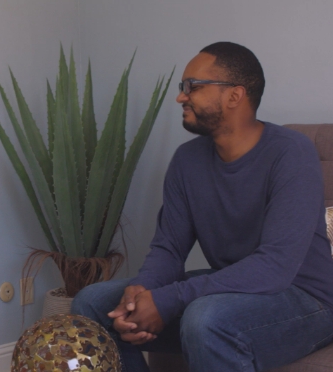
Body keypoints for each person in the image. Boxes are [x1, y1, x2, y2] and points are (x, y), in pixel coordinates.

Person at [72, 42, 333, 372]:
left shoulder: (291, 154)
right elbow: (169, 248)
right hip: (234, 286)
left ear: (234, 96)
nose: (181, 97)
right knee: (92, 303)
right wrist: (142, 291)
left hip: (307, 300)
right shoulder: (187, 160)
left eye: (192, 86)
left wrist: (171, 298)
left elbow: (275, 266)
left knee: (205, 318)